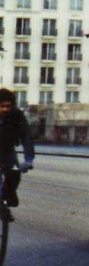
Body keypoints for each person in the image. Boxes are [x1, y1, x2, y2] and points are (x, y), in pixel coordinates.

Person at [0, 87, 36, 222]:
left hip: (7, 150)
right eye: (1, 106)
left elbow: (26, 136)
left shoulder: (17, 115)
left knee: (15, 172)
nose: (5, 109)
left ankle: (6, 200)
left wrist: (29, 159)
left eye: (8, 106)